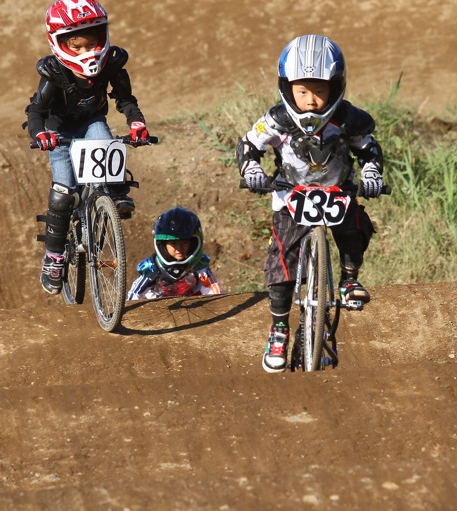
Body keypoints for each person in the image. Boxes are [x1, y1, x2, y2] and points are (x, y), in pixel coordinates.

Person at [236, 34, 385, 373]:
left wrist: (373, 172)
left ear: (337, 87)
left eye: (319, 91)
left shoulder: (348, 119)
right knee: (282, 259)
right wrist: (252, 169)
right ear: (287, 88)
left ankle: (349, 279)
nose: (311, 100)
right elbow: (248, 145)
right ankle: (278, 328)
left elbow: (368, 147)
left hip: (338, 191)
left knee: (355, 225)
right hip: (291, 195)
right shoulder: (277, 120)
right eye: (302, 91)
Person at [25, 0, 151, 295]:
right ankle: (54, 257)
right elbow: (36, 111)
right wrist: (40, 134)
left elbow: (125, 100)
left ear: (104, 36)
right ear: (59, 43)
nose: (86, 52)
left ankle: (114, 193)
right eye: (76, 45)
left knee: (105, 141)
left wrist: (137, 123)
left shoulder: (112, 63)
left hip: (91, 120)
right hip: (60, 132)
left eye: (92, 42)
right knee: (63, 191)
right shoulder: (53, 73)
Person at [126, 207, 223, 300]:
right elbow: (135, 294)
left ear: (193, 243)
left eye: (184, 242)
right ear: (163, 244)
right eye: (174, 243)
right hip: (159, 307)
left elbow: (214, 290)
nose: (179, 248)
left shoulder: (199, 264)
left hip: (194, 304)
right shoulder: (153, 267)